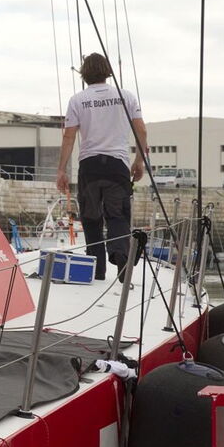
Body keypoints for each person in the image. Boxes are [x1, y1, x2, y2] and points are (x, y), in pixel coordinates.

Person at [56, 53, 148, 281]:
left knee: (91, 218)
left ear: (83, 74)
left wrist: (61, 170)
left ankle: (97, 270)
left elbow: (69, 136)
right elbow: (141, 131)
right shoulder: (126, 96)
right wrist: (139, 161)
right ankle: (121, 256)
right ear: (108, 71)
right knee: (118, 216)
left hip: (89, 166)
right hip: (117, 166)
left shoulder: (77, 100)